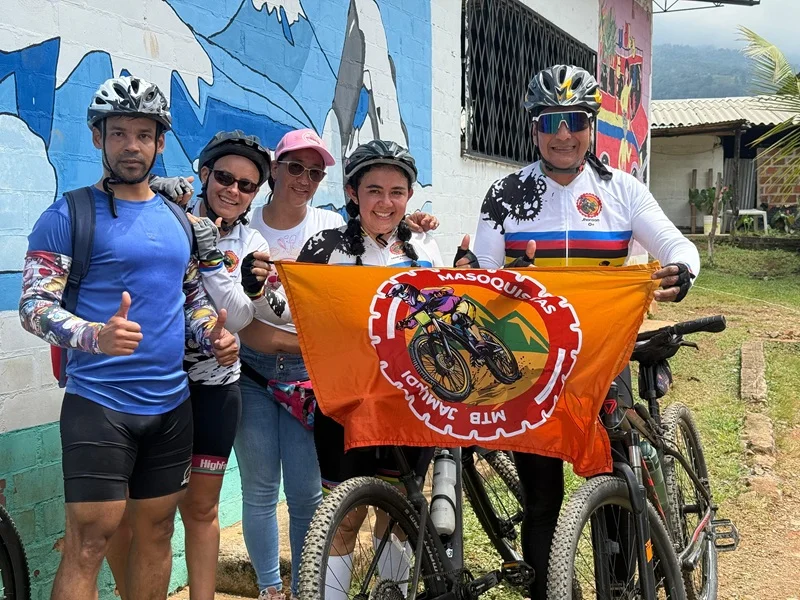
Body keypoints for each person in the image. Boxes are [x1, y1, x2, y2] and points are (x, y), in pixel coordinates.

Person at [470, 64, 701, 600]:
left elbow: (676, 245)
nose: (563, 134)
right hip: (530, 365)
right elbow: (479, 278)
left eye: (574, 120)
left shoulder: (622, 191)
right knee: (542, 498)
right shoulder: (505, 195)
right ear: (533, 128)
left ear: (590, 125)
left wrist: (683, 270)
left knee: (621, 478)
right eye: (550, 120)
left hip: (603, 359)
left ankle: (622, 585)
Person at [18, 75, 237, 600]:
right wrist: (94, 334)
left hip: (172, 403)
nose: (132, 146)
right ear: (98, 138)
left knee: (159, 535)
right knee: (89, 543)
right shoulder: (66, 214)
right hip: (100, 403)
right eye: (119, 133)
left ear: (160, 142)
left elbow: (190, 298)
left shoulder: (179, 220)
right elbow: (33, 306)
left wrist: (213, 335)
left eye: (144, 134)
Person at [248, 139, 443, 600]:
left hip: (410, 399)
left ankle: (392, 592)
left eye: (397, 191)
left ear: (409, 197)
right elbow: (291, 308)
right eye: (374, 190)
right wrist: (255, 289)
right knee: (344, 516)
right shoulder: (326, 245)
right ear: (353, 193)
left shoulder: (426, 247)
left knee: (395, 516)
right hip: (346, 400)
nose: (386, 201)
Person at [111, 130, 281, 600]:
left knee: (201, 510)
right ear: (204, 174)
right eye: (225, 177)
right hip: (153, 381)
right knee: (130, 511)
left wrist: (237, 281)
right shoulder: (167, 215)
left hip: (214, 388)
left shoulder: (252, 240)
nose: (234, 190)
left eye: (247, 186)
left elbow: (242, 319)